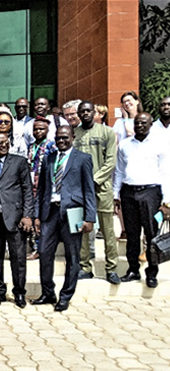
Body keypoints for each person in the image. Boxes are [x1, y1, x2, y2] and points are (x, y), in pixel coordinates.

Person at [32, 126, 96, 312]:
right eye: (58, 138)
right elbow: (42, 189)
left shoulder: (83, 159)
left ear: (73, 137)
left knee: (72, 256)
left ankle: (66, 295)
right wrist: (37, 215)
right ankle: (47, 292)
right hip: (49, 212)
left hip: (73, 213)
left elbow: (89, 190)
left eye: (65, 138)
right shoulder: (49, 158)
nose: (61, 141)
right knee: (44, 252)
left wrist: (90, 217)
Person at [114, 113, 170, 289]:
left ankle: (152, 273)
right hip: (129, 192)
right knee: (132, 233)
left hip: (151, 193)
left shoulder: (159, 145)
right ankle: (132, 269)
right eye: (137, 123)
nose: (139, 126)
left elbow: (165, 173)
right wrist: (116, 194)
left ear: (150, 125)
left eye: (143, 123)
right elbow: (119, 171)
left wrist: (167, 201)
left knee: (151, 234)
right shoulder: (124, 145)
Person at [0, 133, 34, 308]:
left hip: (15, 218)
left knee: (18, 258)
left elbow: (27, 190)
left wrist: (27, 216)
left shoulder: (19, 162)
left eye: (5, 142)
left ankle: (19, 293)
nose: (2, 145)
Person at [73, 101, 120, 284]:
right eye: (81, 111)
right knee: (83, 229)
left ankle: (111, 269)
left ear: (95, 112)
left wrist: (94, 180)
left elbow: (111, 161)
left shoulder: (107, 132)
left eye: (88, 110)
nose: (85, 113)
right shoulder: (75, 133)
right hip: (80, 190)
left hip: (101, 189)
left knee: (108, 230)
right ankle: (85, 267)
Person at [26, 116, 57, 260]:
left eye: (41, 129)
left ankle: (41, 248)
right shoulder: (31, 146)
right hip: (31, 186)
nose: (38, 131)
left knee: (42, 218)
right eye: (35, 129)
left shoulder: (52, 146)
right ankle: (35, 247)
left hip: (45, 187)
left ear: (47, 130)